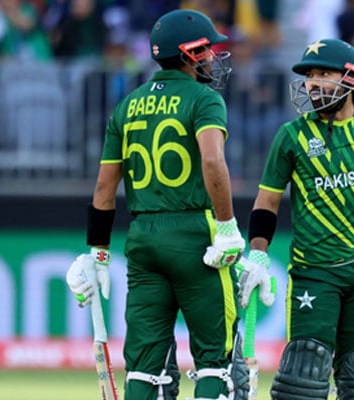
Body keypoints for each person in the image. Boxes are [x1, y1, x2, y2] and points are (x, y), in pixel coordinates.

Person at [65, 9, 250, 400]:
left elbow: (104, 184)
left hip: (143, 239)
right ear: (190, 53)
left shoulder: (127, 105)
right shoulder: (205, 98)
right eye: (209, 50)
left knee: (144, 370)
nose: (214, 58)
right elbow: (212, 160)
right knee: (214, 363)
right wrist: (228, 225)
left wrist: (97, 251)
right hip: (196, 236)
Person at [235, 38, 354, 400]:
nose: (312, 83)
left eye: (323, 73)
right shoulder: (291, 136)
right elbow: (267, 202)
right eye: (309, 75)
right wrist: (259, 253)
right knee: (304, 373)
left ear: (353, 79)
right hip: (316, 269)